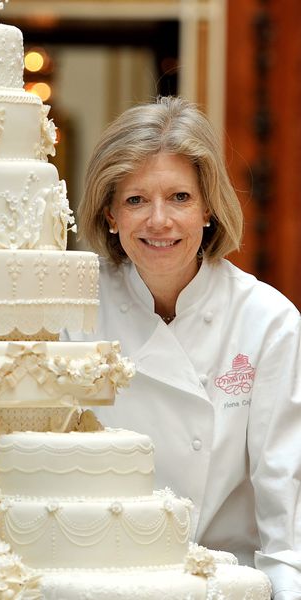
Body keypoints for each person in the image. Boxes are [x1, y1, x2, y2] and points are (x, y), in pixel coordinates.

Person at [64, 96, 301, 599]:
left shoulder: (268, 321)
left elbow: (285, 500)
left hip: (224, 582)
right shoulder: (72, 312)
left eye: (179, 197)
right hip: (97, 580)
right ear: (109, 213)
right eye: (135, 200)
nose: (158, 221)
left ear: (208, 207)